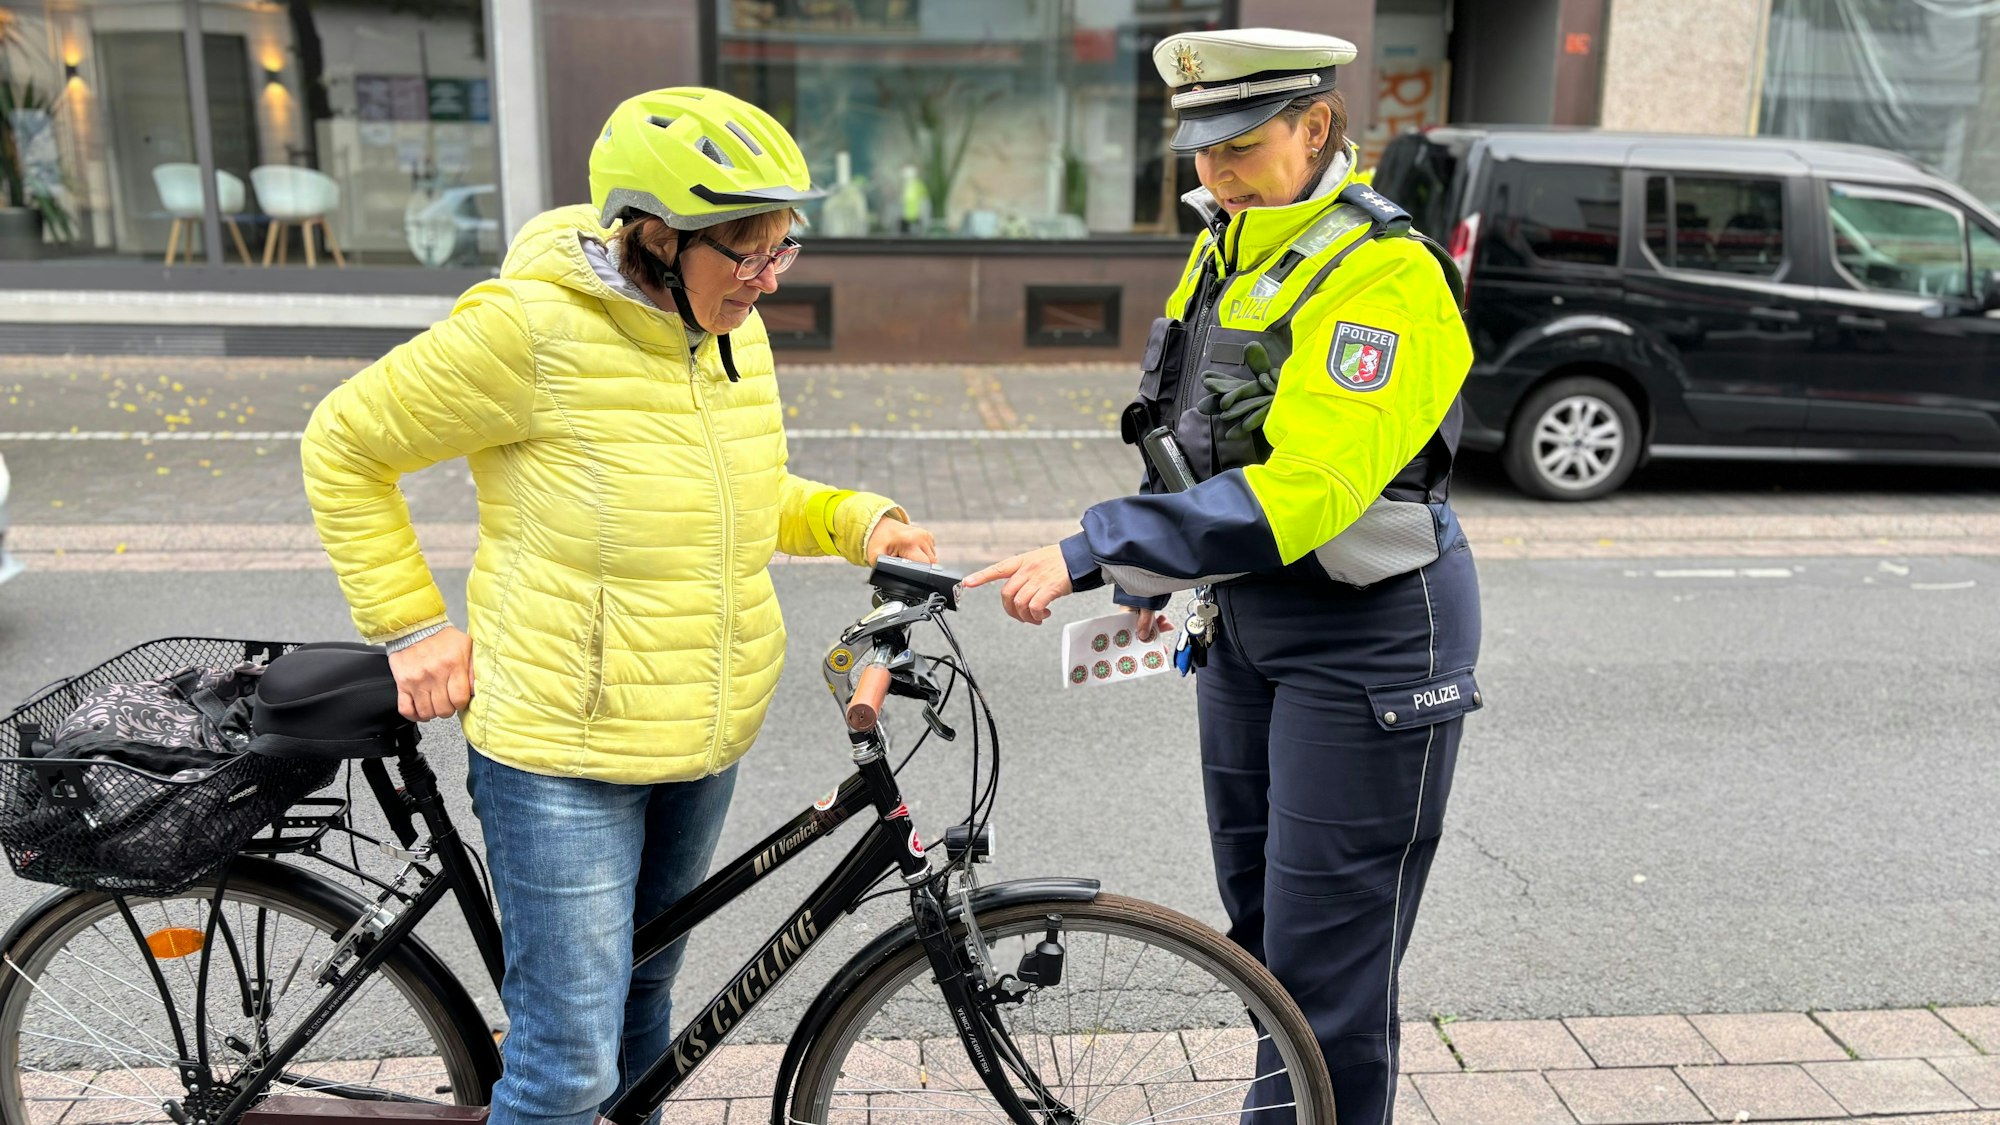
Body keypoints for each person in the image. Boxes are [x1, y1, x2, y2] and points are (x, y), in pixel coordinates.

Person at [300, 87, 936, 1125]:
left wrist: (853, 519)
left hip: (700, 729)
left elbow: (723, 495)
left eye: (783, 249)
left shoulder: (732, 329)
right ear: (653, 235)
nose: (767, 279)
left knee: (645, 998)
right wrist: (412, 630)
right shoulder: (526, 332)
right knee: (563, 1069)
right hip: (563, 746)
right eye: (746, 253)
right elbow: (343, 444)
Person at [966, 28, 1481, 1125]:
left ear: (1314, 126)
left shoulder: (1381, 276)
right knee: (1259, 940)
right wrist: (1156, 565)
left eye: (1240, 145)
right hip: (1245, 618)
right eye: (1198, 150)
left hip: (1369, 636)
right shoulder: (1226, 243)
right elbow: (1198, 434)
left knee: (1325, 970)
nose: (1214, 171)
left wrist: (1095, 551)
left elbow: (1305, 490)